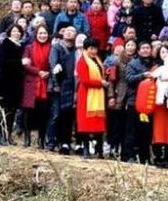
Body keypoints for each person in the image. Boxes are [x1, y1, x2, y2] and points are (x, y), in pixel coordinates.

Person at [48, 26, 79, 154]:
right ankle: (51, 140)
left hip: (72, 86)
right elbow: (53, 65)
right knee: (56, 114)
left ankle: (65, 141)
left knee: (68, 115)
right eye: (67, 31)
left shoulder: (77, 50)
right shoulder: (57, 47)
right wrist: (55, 83)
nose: (69, 32)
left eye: (72, 31)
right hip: (59, 85)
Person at [75, 37, 107, 158]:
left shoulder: (97, 60)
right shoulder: (82, 61)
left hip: (97, 95)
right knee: (85, 125)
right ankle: (86, 149)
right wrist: (100, 83)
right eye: (91, 49)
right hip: (86, 95)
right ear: (86, 49)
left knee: (98, 124)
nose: (93, 51)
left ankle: (99, 150)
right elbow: (84, 80)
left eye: (95, 49)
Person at [22, 25, 53, 148]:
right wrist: (38, 72)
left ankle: (41, 140)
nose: (42, 36)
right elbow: (25, 65)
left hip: (46, 82)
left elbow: (54, 63)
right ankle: (27, 138)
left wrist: (48, 72)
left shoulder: (52, 48)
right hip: (31, 82)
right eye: (40, 33)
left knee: (43, 113)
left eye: (44, 33)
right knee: (28, 112)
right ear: (36, 34)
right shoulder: (29, 48)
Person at [0, 25, 25, 145]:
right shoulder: (5, 44)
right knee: (4, 109)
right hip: (6, 82)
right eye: (14, 31)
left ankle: (8, 135)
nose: (16, 33)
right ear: (9, 32)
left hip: (17, 82)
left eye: (18, 31)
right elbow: (2, 62)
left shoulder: (21, 45)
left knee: (13, 110)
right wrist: (20, 62)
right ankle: (2, 135)